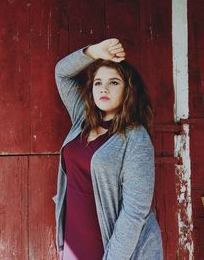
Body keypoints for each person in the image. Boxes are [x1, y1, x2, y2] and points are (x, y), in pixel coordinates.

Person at [52, 38, 163, 260]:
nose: (104, 88)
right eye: (98, 82)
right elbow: (62, 73)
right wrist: (94, 52)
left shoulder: (135, 138)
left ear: (128, 91)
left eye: (114, 82)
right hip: (74, 239)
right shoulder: (81, 119)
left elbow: (135, 212)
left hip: (111, 247)